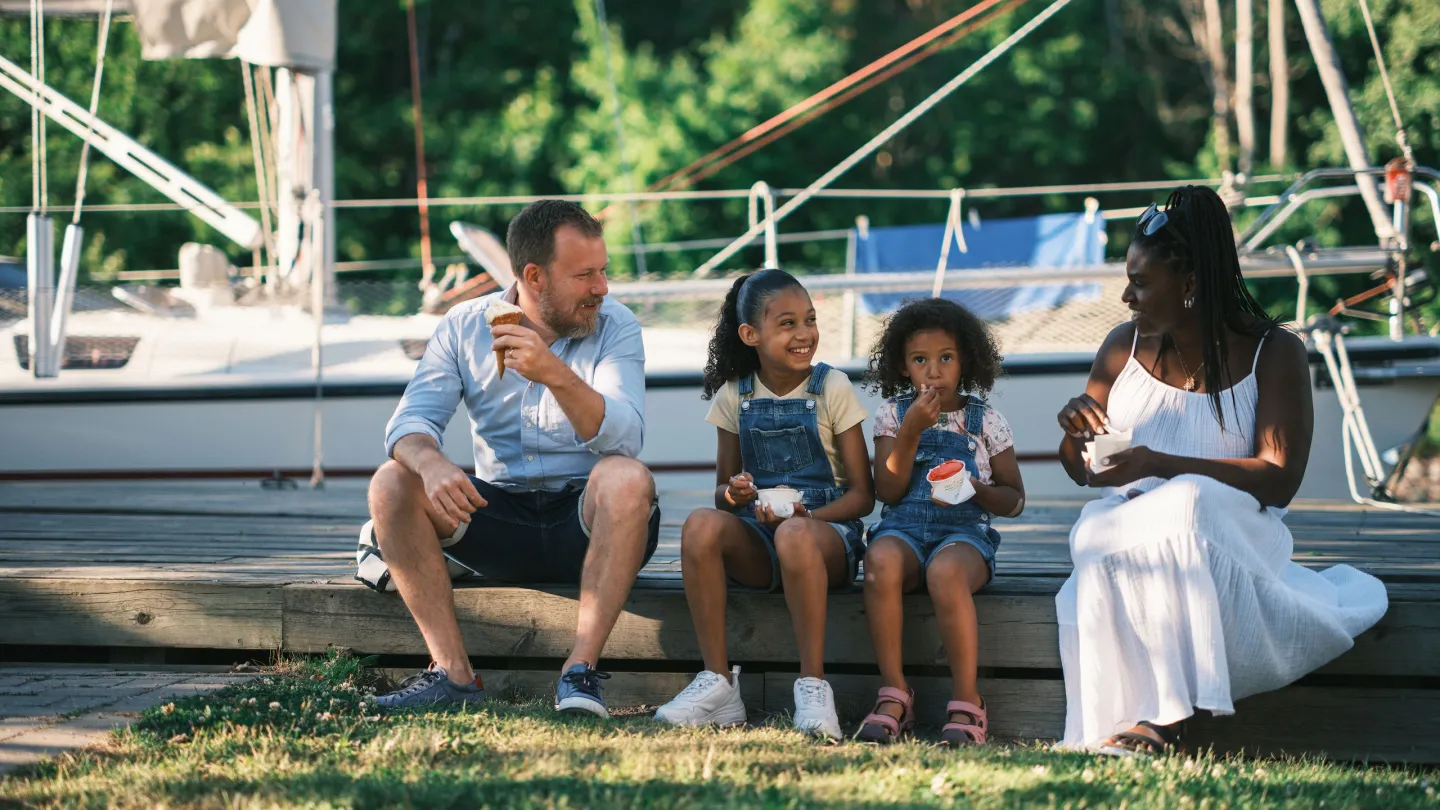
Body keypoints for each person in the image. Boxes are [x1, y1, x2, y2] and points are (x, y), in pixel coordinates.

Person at [1054, 185, 1388, 755]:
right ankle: (1125, 716)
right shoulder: (1121, 347)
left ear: (1188, 285)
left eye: (1139, 282)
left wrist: (1160, 463)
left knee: (1186, 499)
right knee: (1091, 524)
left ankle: (1166, 718)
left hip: (1231, 534)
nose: (1126, 296)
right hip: (1138, 535)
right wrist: (1075, 435)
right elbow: (1083, 471)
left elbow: (1279, 477)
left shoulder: (1273, 351)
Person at [365, 200, 660, 718]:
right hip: (499, 519)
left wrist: (555, 374)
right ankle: (452, 676)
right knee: (392, 481)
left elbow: (626, 439)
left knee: (627, 477)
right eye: (586, 275)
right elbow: (408, 425)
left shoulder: (617, 325)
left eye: (604, 271)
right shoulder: (465, 325)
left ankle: (579, 674)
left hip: (589, 523)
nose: (602, 288)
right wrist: (433, 465)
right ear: (533, 276)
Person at [652, 269, 874, 738]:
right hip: (762, 539)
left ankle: (813, 687)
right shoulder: (737, 395)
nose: (805, 334)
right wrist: (734, 494)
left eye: (810, 320)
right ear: (750, 335)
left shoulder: (831, 388)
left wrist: (806, 516)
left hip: (826, 538)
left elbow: (862, 496)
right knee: (699, 524)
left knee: (794, 533)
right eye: (788, 323)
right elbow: (721, 494)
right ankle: (718, 683)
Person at [855, 298, 1024, 746]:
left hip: (964, 536)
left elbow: (1014, 499)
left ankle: (967, 698)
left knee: (944, 571)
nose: (934, 371)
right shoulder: (893, 415)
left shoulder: (985, 420)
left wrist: (977, 489)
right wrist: (910, 431)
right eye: (920, 360)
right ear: (902, 366)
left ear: (965, 358)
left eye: (945, 358)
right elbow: (887, 492)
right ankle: (894, 692)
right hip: (904, 530)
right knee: (879, 560)